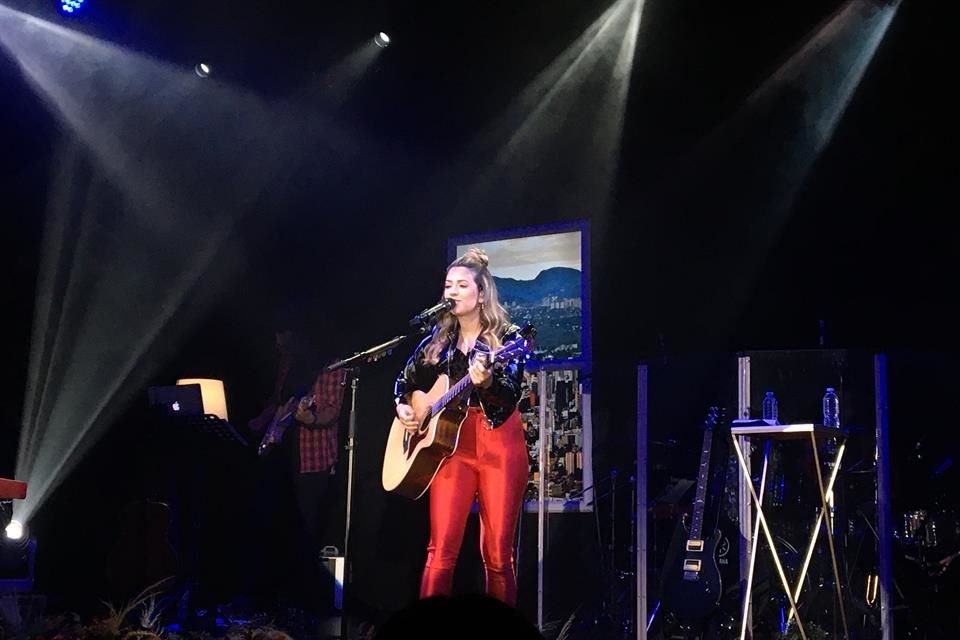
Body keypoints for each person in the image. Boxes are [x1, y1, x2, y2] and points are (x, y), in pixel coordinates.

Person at [393, 248, 529, 606]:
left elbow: (509, 396)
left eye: (462, 285)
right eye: (448, 285)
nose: (452, 291)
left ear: (481, 294)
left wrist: (487, 383)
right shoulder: (437, 342)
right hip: (450, 445)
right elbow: (403, 382)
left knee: (497, 555)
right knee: (440, 550)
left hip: (499, 441)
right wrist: (403, 407)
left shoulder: (508, 337)